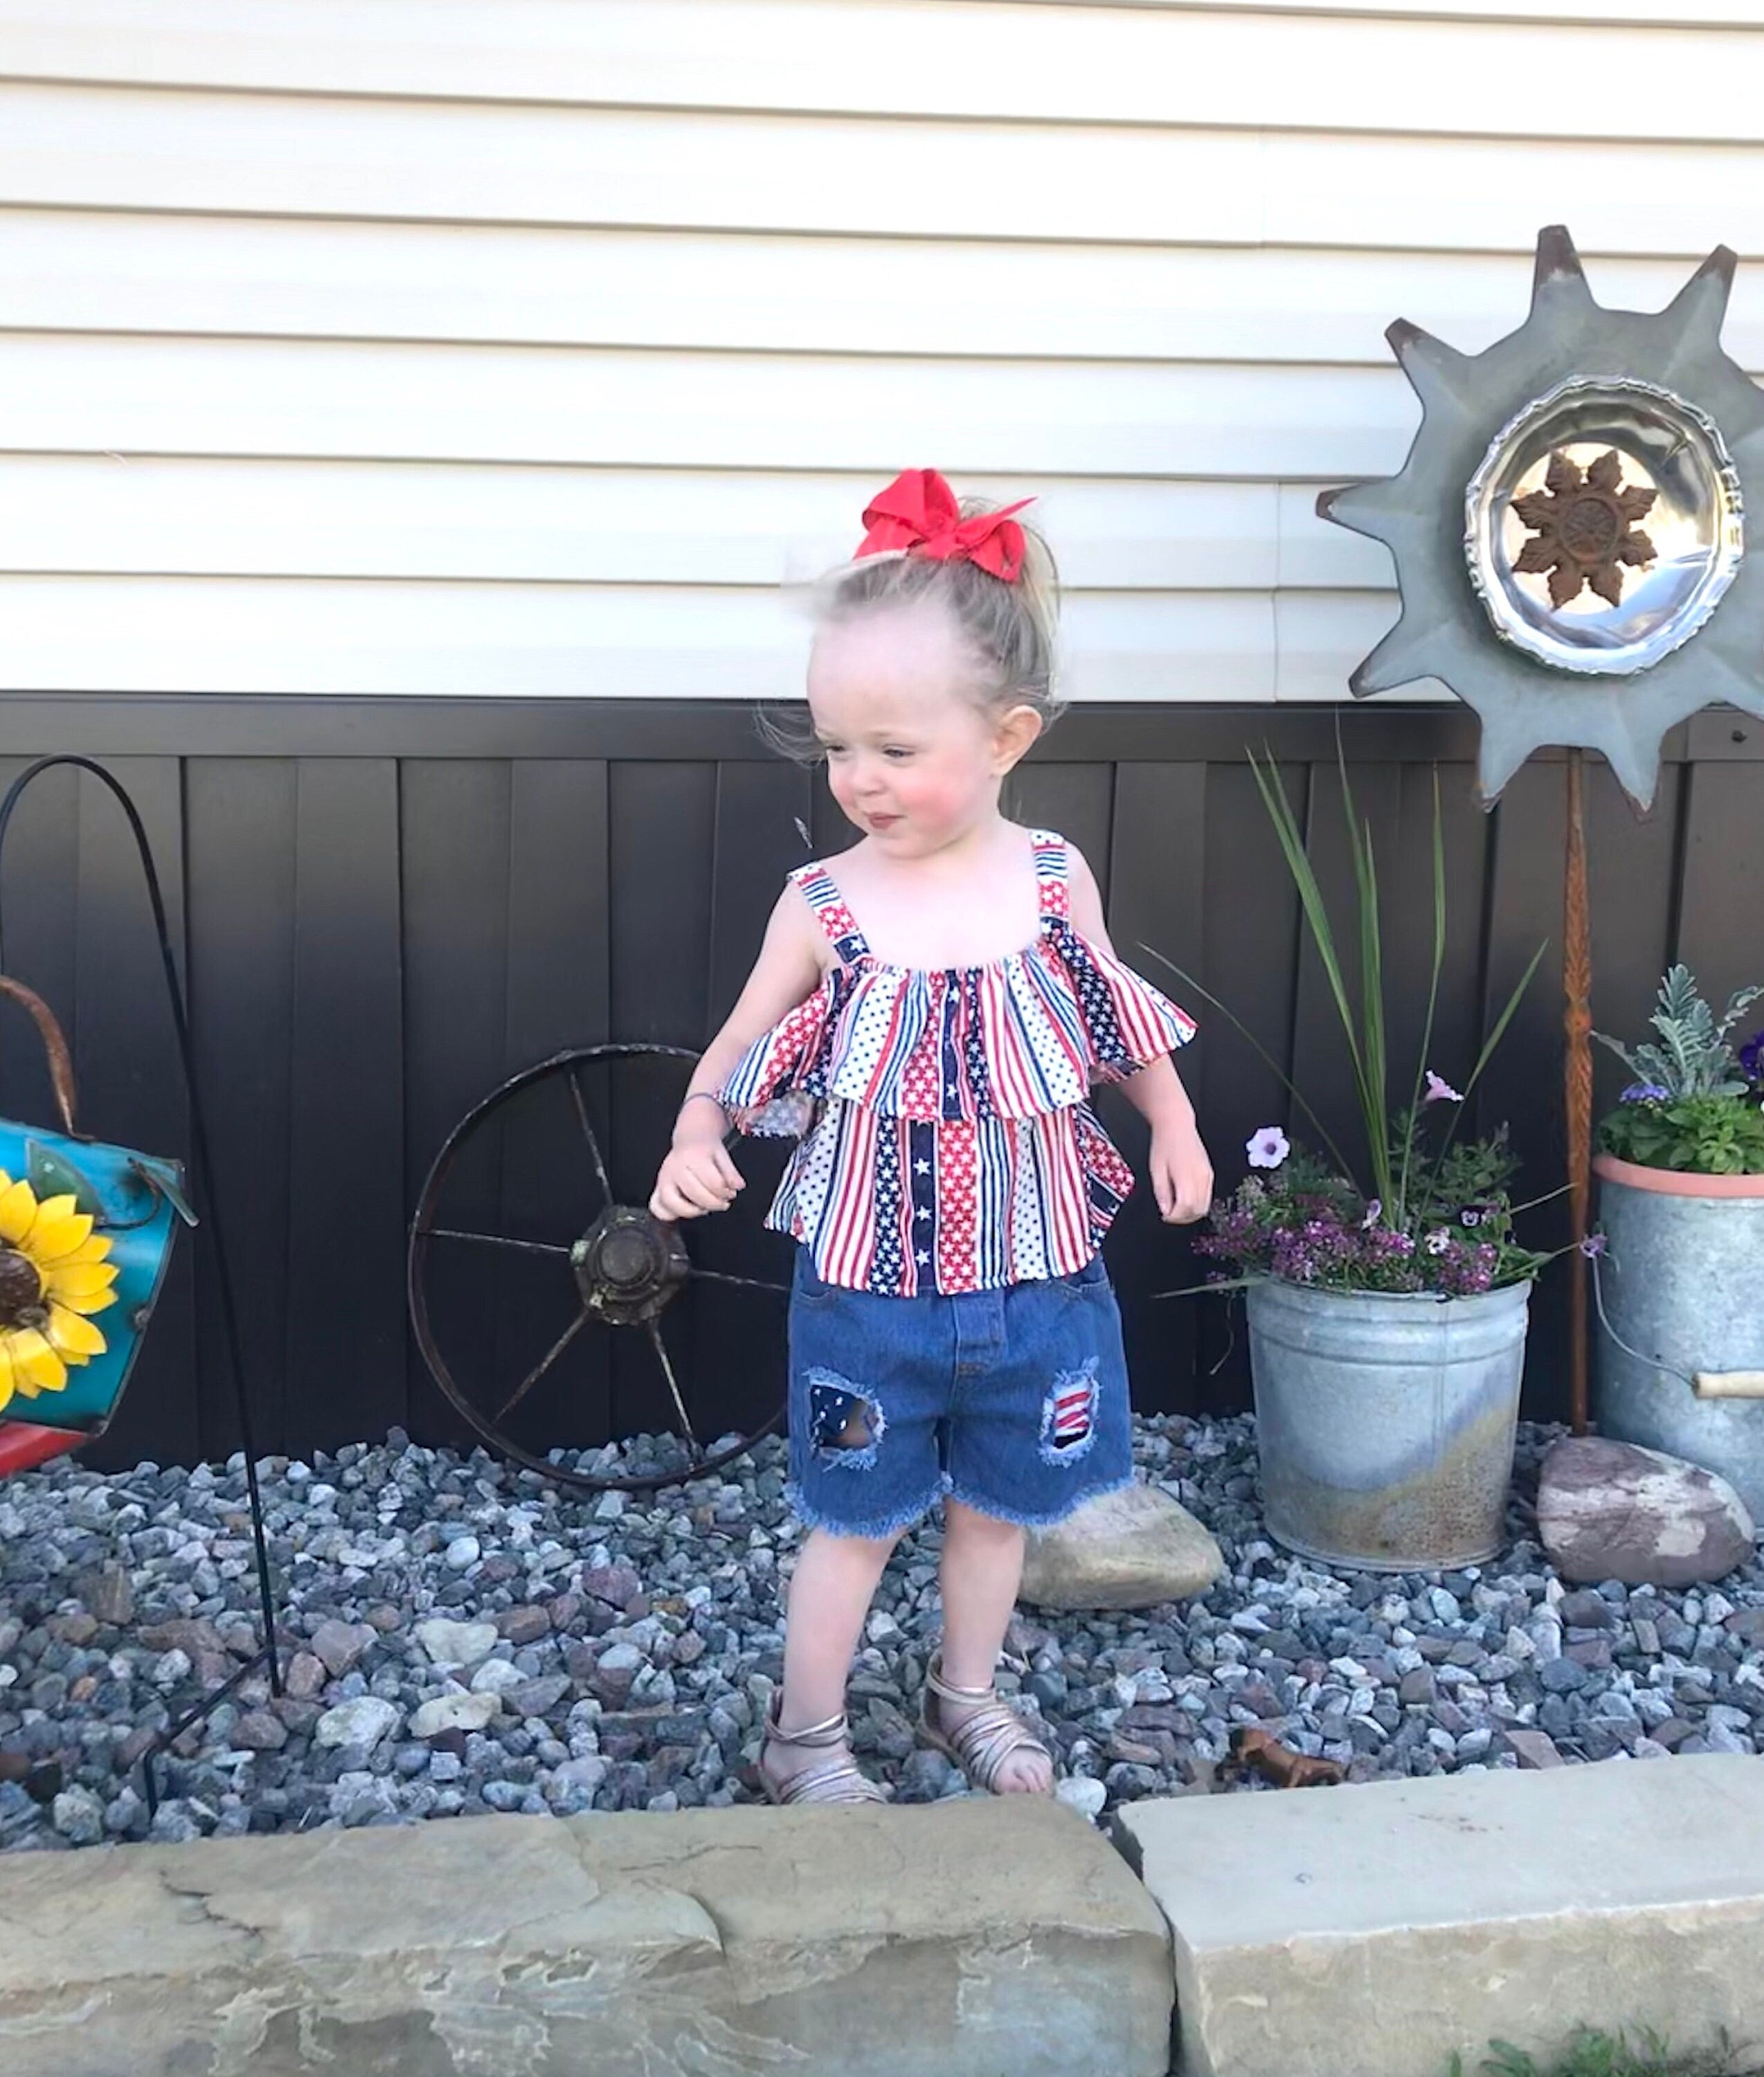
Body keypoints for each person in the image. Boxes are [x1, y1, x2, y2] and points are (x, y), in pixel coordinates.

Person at [647, 469, 1213, 1804]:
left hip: (1038, 1278)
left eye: (896, 752)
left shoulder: (1054, 875)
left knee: (997, 1509)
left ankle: (968, 1697)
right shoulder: (824, 904)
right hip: (867, 1294)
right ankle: (808, 1737)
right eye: (837, 746)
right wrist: (695, 1126)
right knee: (851, 1524)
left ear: (1008, 736)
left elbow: (1110, 1014)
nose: (858, 781)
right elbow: (733, 1048)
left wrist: (1175, 1117)